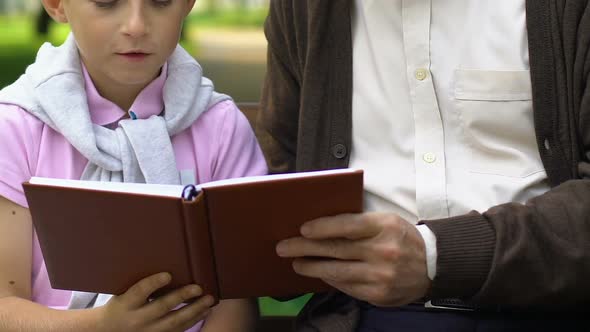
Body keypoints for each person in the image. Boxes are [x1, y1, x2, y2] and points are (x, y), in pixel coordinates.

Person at [258, 0, 590, 331]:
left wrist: (437, 256)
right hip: (357, 314)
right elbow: (282, 187)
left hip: (545, 306)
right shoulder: (302, 9)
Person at [0, 0, 266, 331]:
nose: (137, 25)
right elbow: (4, 304)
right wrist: (100, 326)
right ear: (56, 4)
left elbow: (235, 300)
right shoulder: (14, 127)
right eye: (106, 2)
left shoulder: (221, 128)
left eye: (160, 1)